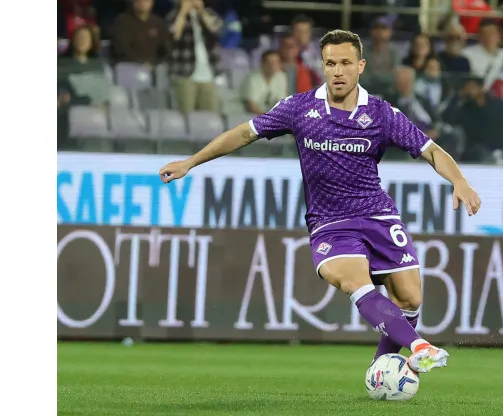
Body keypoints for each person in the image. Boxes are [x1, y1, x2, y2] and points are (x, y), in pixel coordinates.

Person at [159, 29, 482, 372]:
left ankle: (383, 369)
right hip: (330, 223)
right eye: (330, 63)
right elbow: (244, 133)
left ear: (360, 66)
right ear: (322, 66)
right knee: (353, 280)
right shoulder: (299, 108)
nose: (337, 71)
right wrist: (190, 161)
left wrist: (459, 180)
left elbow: (430, 150)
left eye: (345, 63)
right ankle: (420, 347)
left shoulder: (381, 114)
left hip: (378, 215)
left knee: (410, 299)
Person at [167, 0, 224, 114]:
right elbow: (173, 35)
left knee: (211, 115)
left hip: (208, 73)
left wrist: (201, 12)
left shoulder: (209, 13)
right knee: (186, 114)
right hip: (184, 73)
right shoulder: (173, 15)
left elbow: (216, 31)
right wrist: (183, 12)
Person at [111, 0, 171, 68]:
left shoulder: (159, 23)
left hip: (154, 68)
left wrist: (154, 64)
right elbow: (121, 50)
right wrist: (139, 64)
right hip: (128, 68)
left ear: (152, 3)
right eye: (139, 1)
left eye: (146, 1)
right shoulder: (122, 22)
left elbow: (165, 50)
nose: (142, 3)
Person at [461, 19, 503, 90]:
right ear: (478, 37)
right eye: (484, 33)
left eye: (492, 33)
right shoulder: (466, 54)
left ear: (499, 36)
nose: (488, 37)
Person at [240, 50, 288, 115]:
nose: (273, 66)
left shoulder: (281, 77)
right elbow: (251, 107)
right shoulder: (252, 79)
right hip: (246, 115)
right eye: (269, 63)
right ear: (262, 64)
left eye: (276, 62)